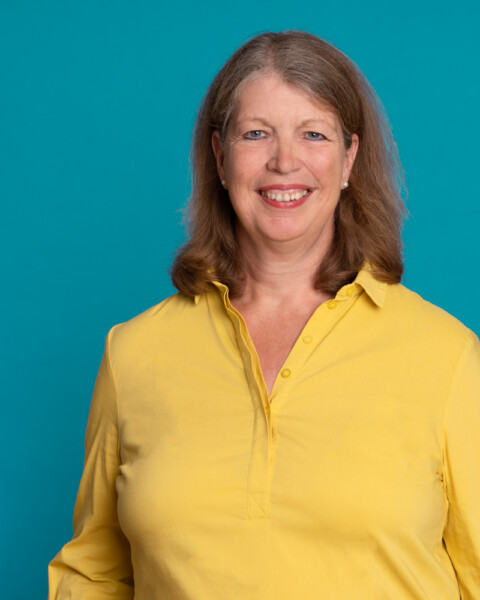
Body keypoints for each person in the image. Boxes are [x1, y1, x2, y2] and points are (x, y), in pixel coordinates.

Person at [48, 31, 480, 599]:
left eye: (313, 134)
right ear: (220, 157)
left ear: (349, 158)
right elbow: (94, 576)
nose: (284, 161)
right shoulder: (134, 353)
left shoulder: (446, 355)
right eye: (257, 134)